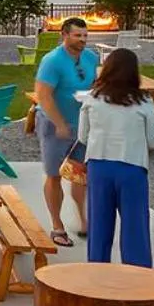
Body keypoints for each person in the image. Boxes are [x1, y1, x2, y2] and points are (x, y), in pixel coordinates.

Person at [78, 48, 154, 268]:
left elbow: (82, 137)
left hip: (99, 165)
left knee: (99, 225)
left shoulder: (92, 98)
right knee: (135, 226)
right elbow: (153, 141)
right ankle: (138, 274)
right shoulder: (144, 101)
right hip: (132, 167)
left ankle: (98, 271)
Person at [36, 17, 99, 246]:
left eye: (85, 35)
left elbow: (94, 84)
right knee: (54, 175)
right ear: (64, 35)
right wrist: (60, 123)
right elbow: (43, 95)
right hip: (55, 125)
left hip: (82, 124)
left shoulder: (91, 57)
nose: (82, 39)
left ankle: (83, 221)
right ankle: (57, 226)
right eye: (77, 35)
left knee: (80, 174)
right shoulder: (52, 61)